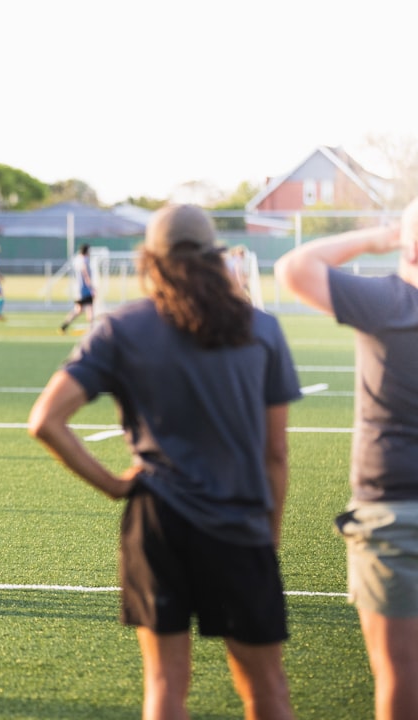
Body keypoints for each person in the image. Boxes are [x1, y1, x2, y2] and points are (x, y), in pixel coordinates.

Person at [28, 204, 300, 720]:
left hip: (158, 525)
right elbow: (276, 454)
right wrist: (270, 537)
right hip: (240, 525)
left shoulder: (124, 329)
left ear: (149, 259)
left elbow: (45, 420)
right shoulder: (261, 329)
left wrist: (112, 484)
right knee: (267, 690)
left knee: (165, 685)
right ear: (216, 255)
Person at [275, 199, 418, 720]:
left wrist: (379, 236)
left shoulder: (389, 301)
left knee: (399, 672)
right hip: (393, 513)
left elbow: (293, 268)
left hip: (392, 513)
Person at [60, 244, 94, 333]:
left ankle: (64, 325)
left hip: (78, 289)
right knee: (89, 308)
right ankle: (91, 329)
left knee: (78, 310)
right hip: (85, 289)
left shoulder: (77, 259)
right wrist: (91, 286)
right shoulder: (84, 260)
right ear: (86, 251)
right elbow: (85, 272)